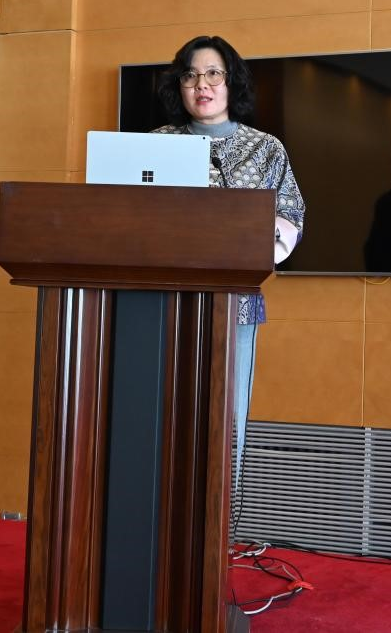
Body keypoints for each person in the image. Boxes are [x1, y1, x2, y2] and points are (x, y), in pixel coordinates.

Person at [152, 34, 305, 494]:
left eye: (213, 73)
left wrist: (250, 251)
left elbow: (291, 216)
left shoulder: (266, 148)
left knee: (226, 419)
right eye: (191, 75)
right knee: (163, 416)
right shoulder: (156, 144)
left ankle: (219, 518)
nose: (202, 84)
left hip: (235, 307)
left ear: (231, 82)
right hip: (159, 305)